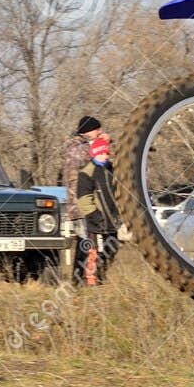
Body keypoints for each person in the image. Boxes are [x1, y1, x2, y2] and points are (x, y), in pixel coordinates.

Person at [74, 130, 120, 285]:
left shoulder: (111, 169)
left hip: (111, 218)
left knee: (112, 248)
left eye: (106, 154)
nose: (105, 157)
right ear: (94, 154)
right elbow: (83, 198)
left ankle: (101, 273)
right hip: (95, 220)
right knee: (92, 251)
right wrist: (94, 215)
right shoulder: (86, 173)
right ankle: (91, 280)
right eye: (101, 154)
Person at [62, 115, 103, 279]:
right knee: (88, 241)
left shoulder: (88, 145)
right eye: (97, 129)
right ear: (87, 131)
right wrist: (102, 143)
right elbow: (90, 156)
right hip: (78, 205)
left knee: (85, 241)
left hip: (87, 204)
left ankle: (79, 279)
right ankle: (88, 278)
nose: (100, 132)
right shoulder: (74, 146)